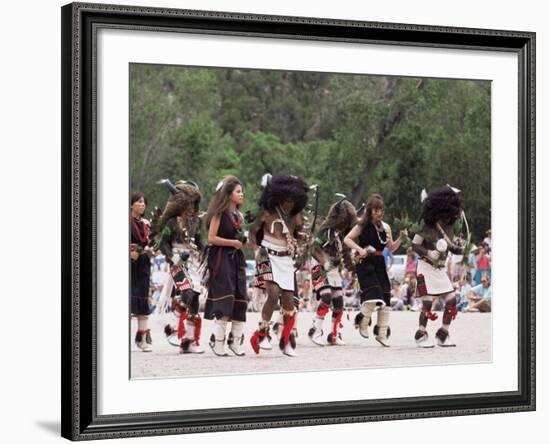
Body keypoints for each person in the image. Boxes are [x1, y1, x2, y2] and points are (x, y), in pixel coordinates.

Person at [249, 174, 309, 357]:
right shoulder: (267, 211)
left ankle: (286, 340)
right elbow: (252, 234)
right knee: (273, 294)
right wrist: (256, 249)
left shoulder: (296, 216)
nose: (290, 204)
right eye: (287, 200)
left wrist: (303, 238)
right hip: (266, 255)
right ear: (280, 196)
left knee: (290, 301)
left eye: (294, 200)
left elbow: (298, 234)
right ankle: (262, 333)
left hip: (285, 259)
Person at [344, 194, 406, 347]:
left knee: (385, 301)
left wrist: (401, 238)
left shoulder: (386, 227)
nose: (379, 213)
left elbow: (391, 247)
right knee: (374, 295)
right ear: (370, 210)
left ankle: (382, 333)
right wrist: (359, 248)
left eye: (381, 210)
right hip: (365, 263)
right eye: (376, 210)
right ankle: (363, 322)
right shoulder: (362, 225)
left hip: (379, 264)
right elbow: (347, 239)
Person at [411, 186, 466, 348]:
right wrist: (428, 252)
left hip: (440, 269)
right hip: (425, 266)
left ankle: (443, 334)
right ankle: (421, 334)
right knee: (427, 302)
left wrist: (459, 247)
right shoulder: (426, 225)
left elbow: (452, 248)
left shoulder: (450, 227)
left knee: (451, 300)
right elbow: (415, 245)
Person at [155, 179, 205, 354]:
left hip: (193, 262)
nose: (191, 207)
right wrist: (174, 257)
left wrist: (206, 254)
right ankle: (171, 324)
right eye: (189, 203)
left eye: (194, 203)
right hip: (176, 261)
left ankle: (188, 341)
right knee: (187, 293)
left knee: (195, 299)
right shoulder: (171, 223)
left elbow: (200, 242)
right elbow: (163, 244)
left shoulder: (195, 222)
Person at [203, 176, 249, 357]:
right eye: (238, 191)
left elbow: (240, 241)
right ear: (229, 194)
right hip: (221, 258)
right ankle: (218, 341)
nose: (241, 194)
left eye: (241, 191)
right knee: (226, 298)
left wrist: (243, 242)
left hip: (236, 259)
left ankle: (235, 341)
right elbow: (211, 238)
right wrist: (233, 243)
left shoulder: (241, 216)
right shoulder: (219, 213)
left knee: (240, 298)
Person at [308, 197, 357, 346]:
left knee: (338, 302)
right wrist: (324, 262)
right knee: (326, 297)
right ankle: (316, 330)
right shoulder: (325, 231)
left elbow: (346, 255)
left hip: (334, 270)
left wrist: (354, 269)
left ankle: (334, 334)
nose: (345, 223)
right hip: (320, 267)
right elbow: (313, 249)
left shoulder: (344, 235)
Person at [130, 192, 153, 352]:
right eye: (139, 202)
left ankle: (142, 338)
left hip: (143, 263)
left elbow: (150, 242)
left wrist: (152, 249)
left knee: (143, 300)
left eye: (144, 202)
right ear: (131, 205)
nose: (142, 205)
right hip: (129, 264)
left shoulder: (146, 224)